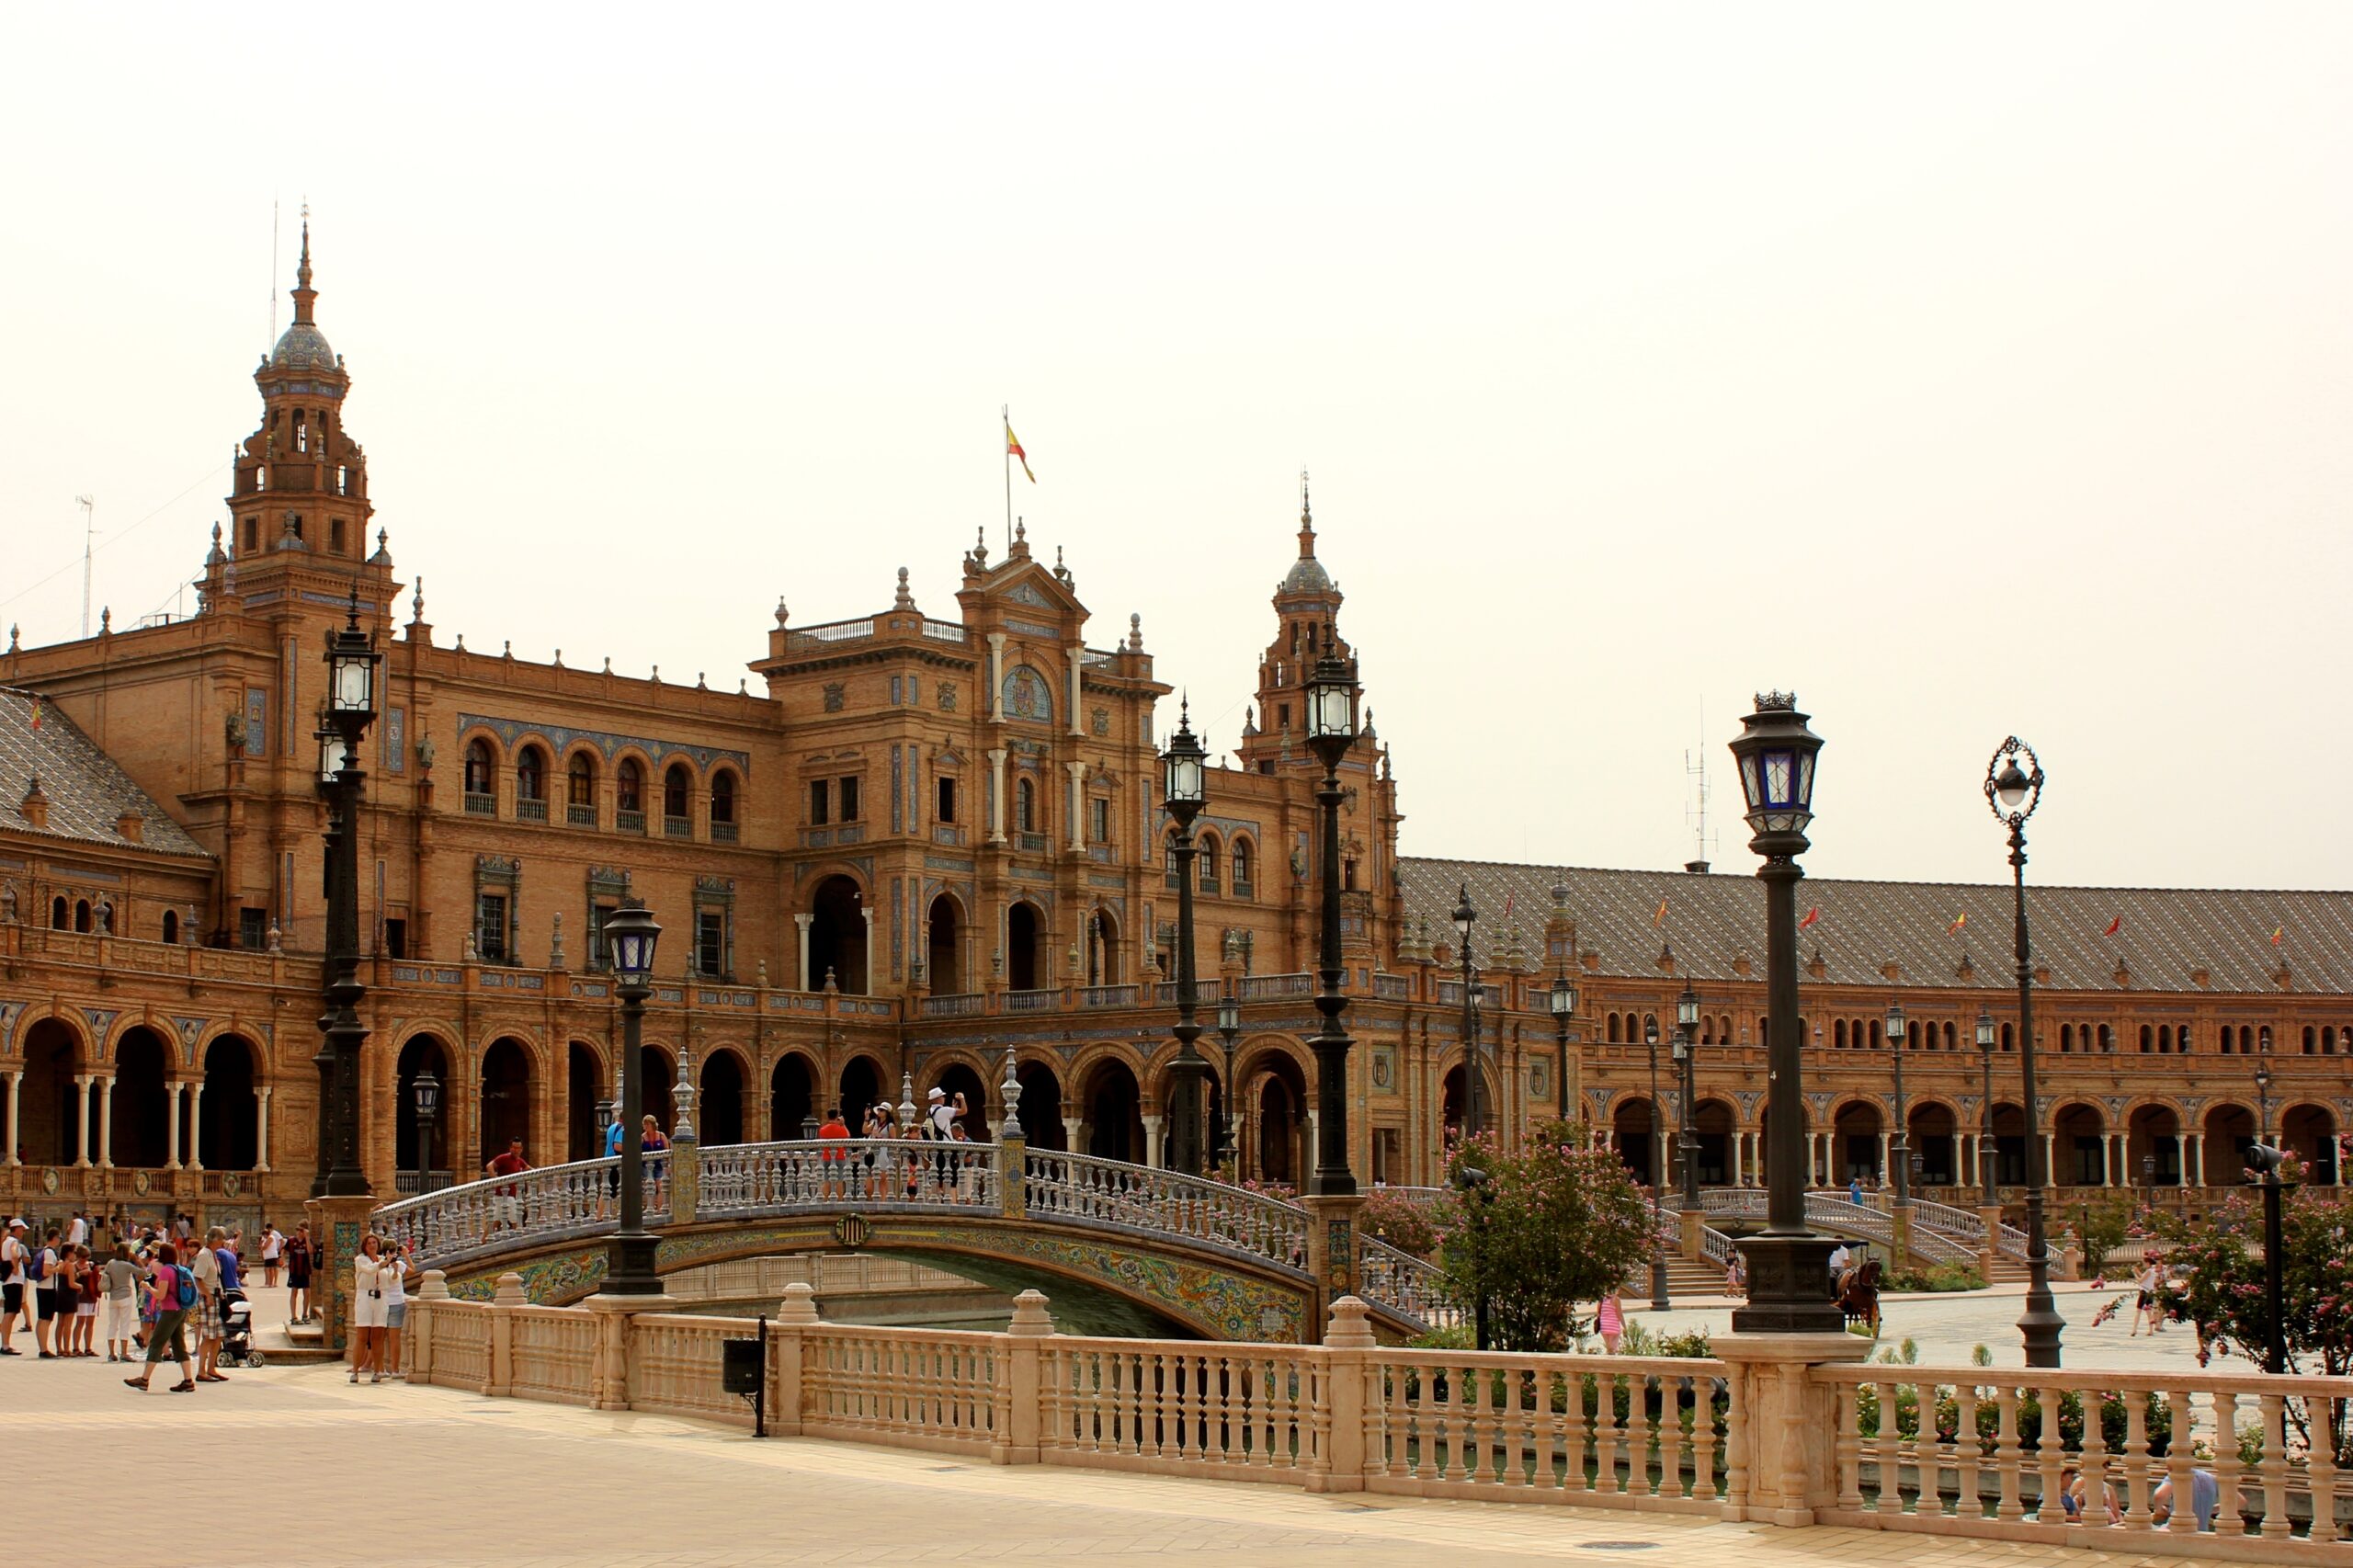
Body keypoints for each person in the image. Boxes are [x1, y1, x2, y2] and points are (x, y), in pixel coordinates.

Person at [123, 1242, 197, 1393]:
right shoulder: (178, 1269)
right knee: (178, 1344)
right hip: (180, 1309)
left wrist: (148, 1287)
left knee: (156, 1342)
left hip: (169, 1311)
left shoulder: (165, 1271)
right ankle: (188, 1380)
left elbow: (161, 1294)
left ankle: (144, 1379)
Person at [192, 1225, 235, 1382]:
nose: (224, 1242)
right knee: (209, 1336)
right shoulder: (204, 1255)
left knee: (219, 1335)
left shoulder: (213, 1254)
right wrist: (207, 1295)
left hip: (216, 1297)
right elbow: (197, 1278)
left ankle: (211, 1368)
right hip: (208, 1299)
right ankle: (201, 1371)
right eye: (222, 1238)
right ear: (215, 1239)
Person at [349, 1233, 391, 1384]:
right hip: (365, 1297)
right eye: (369, 1243)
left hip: (381, 1298)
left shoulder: (383, 1260)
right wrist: (385, 1262)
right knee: (362, 1336)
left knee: (378, 1337)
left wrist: (395, 1267)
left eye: (374, 1243)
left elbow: (392, 1280)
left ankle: (378, 1370)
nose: (372, 1246)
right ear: (365, 1247)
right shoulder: (361, 1260)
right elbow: (370, 1270)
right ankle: (355, 1370)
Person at [380, 1239, 414, 1381]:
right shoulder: (398, 1265)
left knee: (379, 1339)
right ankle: (395, 1369)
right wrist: (406, 1255)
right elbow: (413, 1271)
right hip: (396, 1303)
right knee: (394, 1340)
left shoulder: (379, 1264)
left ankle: (380, 1368)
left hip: (381, 1303)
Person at [102, 1242, 141, 1362]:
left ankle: (111, 1352)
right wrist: (138, 1261)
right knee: (124, 1325)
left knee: (112, 1325)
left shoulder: (110, 1263)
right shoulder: (126, 1265)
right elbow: (143, 1273)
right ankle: (124, 1353)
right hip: (125, 1296)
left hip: (113, 1296)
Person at [2150, 1467, 2219, 1531]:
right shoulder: (2210, 1478)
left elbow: (2159, 1495)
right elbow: (2228, 1502)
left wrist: (2159, 1510)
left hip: (2178, 1529)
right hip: (2202, 1531)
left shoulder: (2176, 1474)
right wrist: (2207, 1509)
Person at [484, 1137, 531, 1230]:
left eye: (518, 1148)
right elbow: (489, 1166)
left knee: (495, 1223)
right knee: (516, 1220)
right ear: (510, 1148)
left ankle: (482, 1242)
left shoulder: (519, 1160)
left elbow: (529, 1169)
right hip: (504, 1195)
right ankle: (519, 1242)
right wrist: (495, 1179)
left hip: (507, 1196)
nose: (516, 1150)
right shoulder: (505, 1158)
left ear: (521, 1149)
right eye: (514, 1147)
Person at [32, 1224, 63, 1358]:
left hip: (42, 1288)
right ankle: (44, 1349)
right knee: (46, 1319)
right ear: (55, 1238)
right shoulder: (50, 1252)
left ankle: (42, 1346)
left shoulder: (44, 1250)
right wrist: (58, 1268)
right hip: (48, 1288)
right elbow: (46, 1271)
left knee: (42, 1319)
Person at [0, 1217, 24, 1356]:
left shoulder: (5, 1242)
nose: (23, 1232)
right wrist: (15, 1268)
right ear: (16, 1229)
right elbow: (14, 1254)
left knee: (9, 1311)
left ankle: (5, 1343)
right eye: (21, 1229)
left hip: (8, 1281)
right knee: (11, 1312)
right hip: (14, 1280)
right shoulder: (13, 1241)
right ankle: (6, 1344)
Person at [817, 1105, 851, 1199]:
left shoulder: (822, 1130)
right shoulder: (841, 1129)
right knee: (839, 1181)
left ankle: (825, 1202)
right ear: (837, 1116)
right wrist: (843, 1124)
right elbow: (848, 1137)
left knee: (826, 1181)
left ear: (827, 1116)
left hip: (827, 1157)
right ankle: (840, 1201)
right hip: (839, 1157)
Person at [285, 1223, 314, 1324]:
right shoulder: (291, 1240)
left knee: (307, 1292)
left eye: (301, 1230)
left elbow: (310, 1251)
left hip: (305, 1270)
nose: (299, 1232)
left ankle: (305, 1314)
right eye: (297, 1230)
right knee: (294, 1291)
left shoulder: (307, 1240)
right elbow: (283, 1250)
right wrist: (282, 1260)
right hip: (294, 1270)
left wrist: (307, 1237)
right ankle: (293, 1316)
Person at [1596, 1284, 1625, 1353]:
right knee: (1613, 1349)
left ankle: (1607, 1360)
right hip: (1613, 1326)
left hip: (1604, 1326)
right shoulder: (1616, 1299)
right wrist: (1624, 1326)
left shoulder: (1602, 1299)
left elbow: (1598, 1313)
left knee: (1609, 1347)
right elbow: (1619, 1315)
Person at [259, 1223, 283, 1289]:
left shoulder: (271, 1237)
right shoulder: (265, 1238)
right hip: (267, 1256)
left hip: (272, 1255)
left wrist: (279, 1250)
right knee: (268, 1269)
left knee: (271, 1269)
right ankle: (268, 1282)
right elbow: (261, 1246)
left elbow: (265, 1247)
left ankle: (271, 1283)